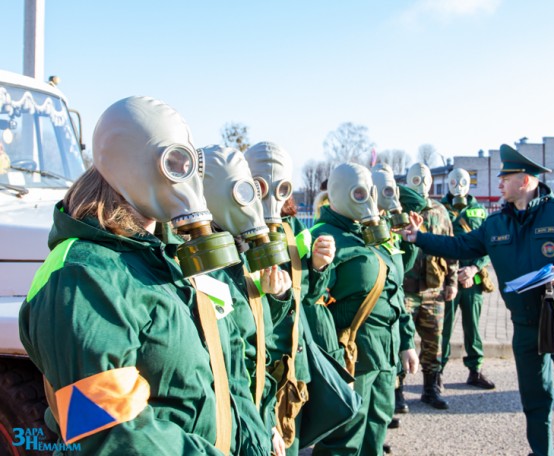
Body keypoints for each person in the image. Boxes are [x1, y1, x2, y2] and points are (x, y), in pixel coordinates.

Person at [18, 96, 270, 455]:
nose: (188, 181)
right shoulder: (82, 276)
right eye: (175, 163)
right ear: (130, 166)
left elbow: (226, 370)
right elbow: (107, 432)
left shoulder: (164, 257)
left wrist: (259, 434)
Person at [401, 144, 554, 456]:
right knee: (535, 398)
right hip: (525, 322)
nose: (498, 183)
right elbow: (460, 246)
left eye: (504, 177)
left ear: (524, 181)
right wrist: (418, 237)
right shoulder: (496, 224)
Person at [311, 163, 419, 456]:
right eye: (359, 192)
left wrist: (406, 342)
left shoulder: (373, 234)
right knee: (345, 435)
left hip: (384, 353)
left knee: (377, 423)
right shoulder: (320, 236)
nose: (367, 198)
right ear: (338, 193)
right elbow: (309, 304)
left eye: (369, 191)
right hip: (349, 356)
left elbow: (395, 291)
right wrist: (330, 362)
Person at [202, 144, 296, 456]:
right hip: (218, 427)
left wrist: (279, 296)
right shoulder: (190, 262)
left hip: (253, 415)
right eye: (245, 192)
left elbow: (258, 350)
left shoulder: (240, 256)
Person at [244, 141, 337, 455]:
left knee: (290, 445)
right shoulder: (229, 233)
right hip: (254, 371)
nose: (271, 196)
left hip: (292, 364)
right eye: (258, 186)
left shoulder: (293, 230)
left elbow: (305, 295)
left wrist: (318, 267)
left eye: (280, 187)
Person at [371, 164, 420, 453]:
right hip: (361, 338)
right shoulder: (354, 230)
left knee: (379, 405)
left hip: (388, 334)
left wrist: (396, 200)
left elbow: (397, 283)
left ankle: (375, 441)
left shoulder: (387, 231)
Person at [402, 162, 458, 410]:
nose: (421, 183)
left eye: (425, 179)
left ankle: (431, 388)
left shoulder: (440, 211)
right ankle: (395, 392)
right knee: (400, 341)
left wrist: (452, 282)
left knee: (433, 341)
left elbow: (450, 248)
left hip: (433, 290)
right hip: (405, 289)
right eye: (415, 178)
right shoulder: (399, 209)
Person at [439, 167, 496, 390]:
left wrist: (473, 269)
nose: (458, 185)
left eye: (462, 181)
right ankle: (436, 373)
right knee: (443, 329)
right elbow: (435, 244)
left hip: (473, 279)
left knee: (472, 327)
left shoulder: (480, 211)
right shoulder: (439, 209)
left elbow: (488, 245)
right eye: (454, 181)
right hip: (447, 279)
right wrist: (453, 274)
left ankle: (475, 371)